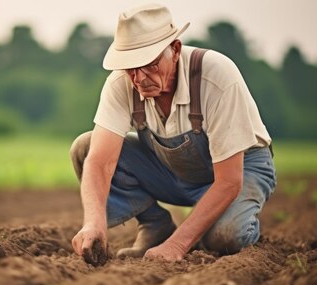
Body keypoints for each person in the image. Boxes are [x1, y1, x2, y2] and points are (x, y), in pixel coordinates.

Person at [70, 3, 276, 262]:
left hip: (240, 168)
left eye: (150, 64)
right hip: (172, 170)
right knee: (85, 148)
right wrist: (94, 223)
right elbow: (100, 162)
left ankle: (226, 222)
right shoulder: (121, 83)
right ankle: (155, 225)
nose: (140, 77)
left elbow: (229, 181)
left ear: (175, 50)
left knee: (226, 237)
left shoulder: (216, 76)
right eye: (131, 67)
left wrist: (177, 246)